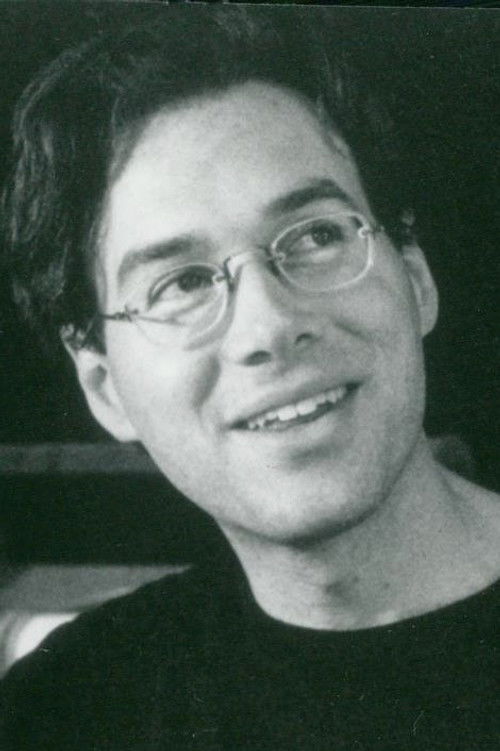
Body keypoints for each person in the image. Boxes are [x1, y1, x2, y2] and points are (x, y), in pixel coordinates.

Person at [1, 6, 499, 750]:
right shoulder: (63, 711)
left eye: (316, 236)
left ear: (417, 279)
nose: (269, 326)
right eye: (181, 283)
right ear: (105, 386)